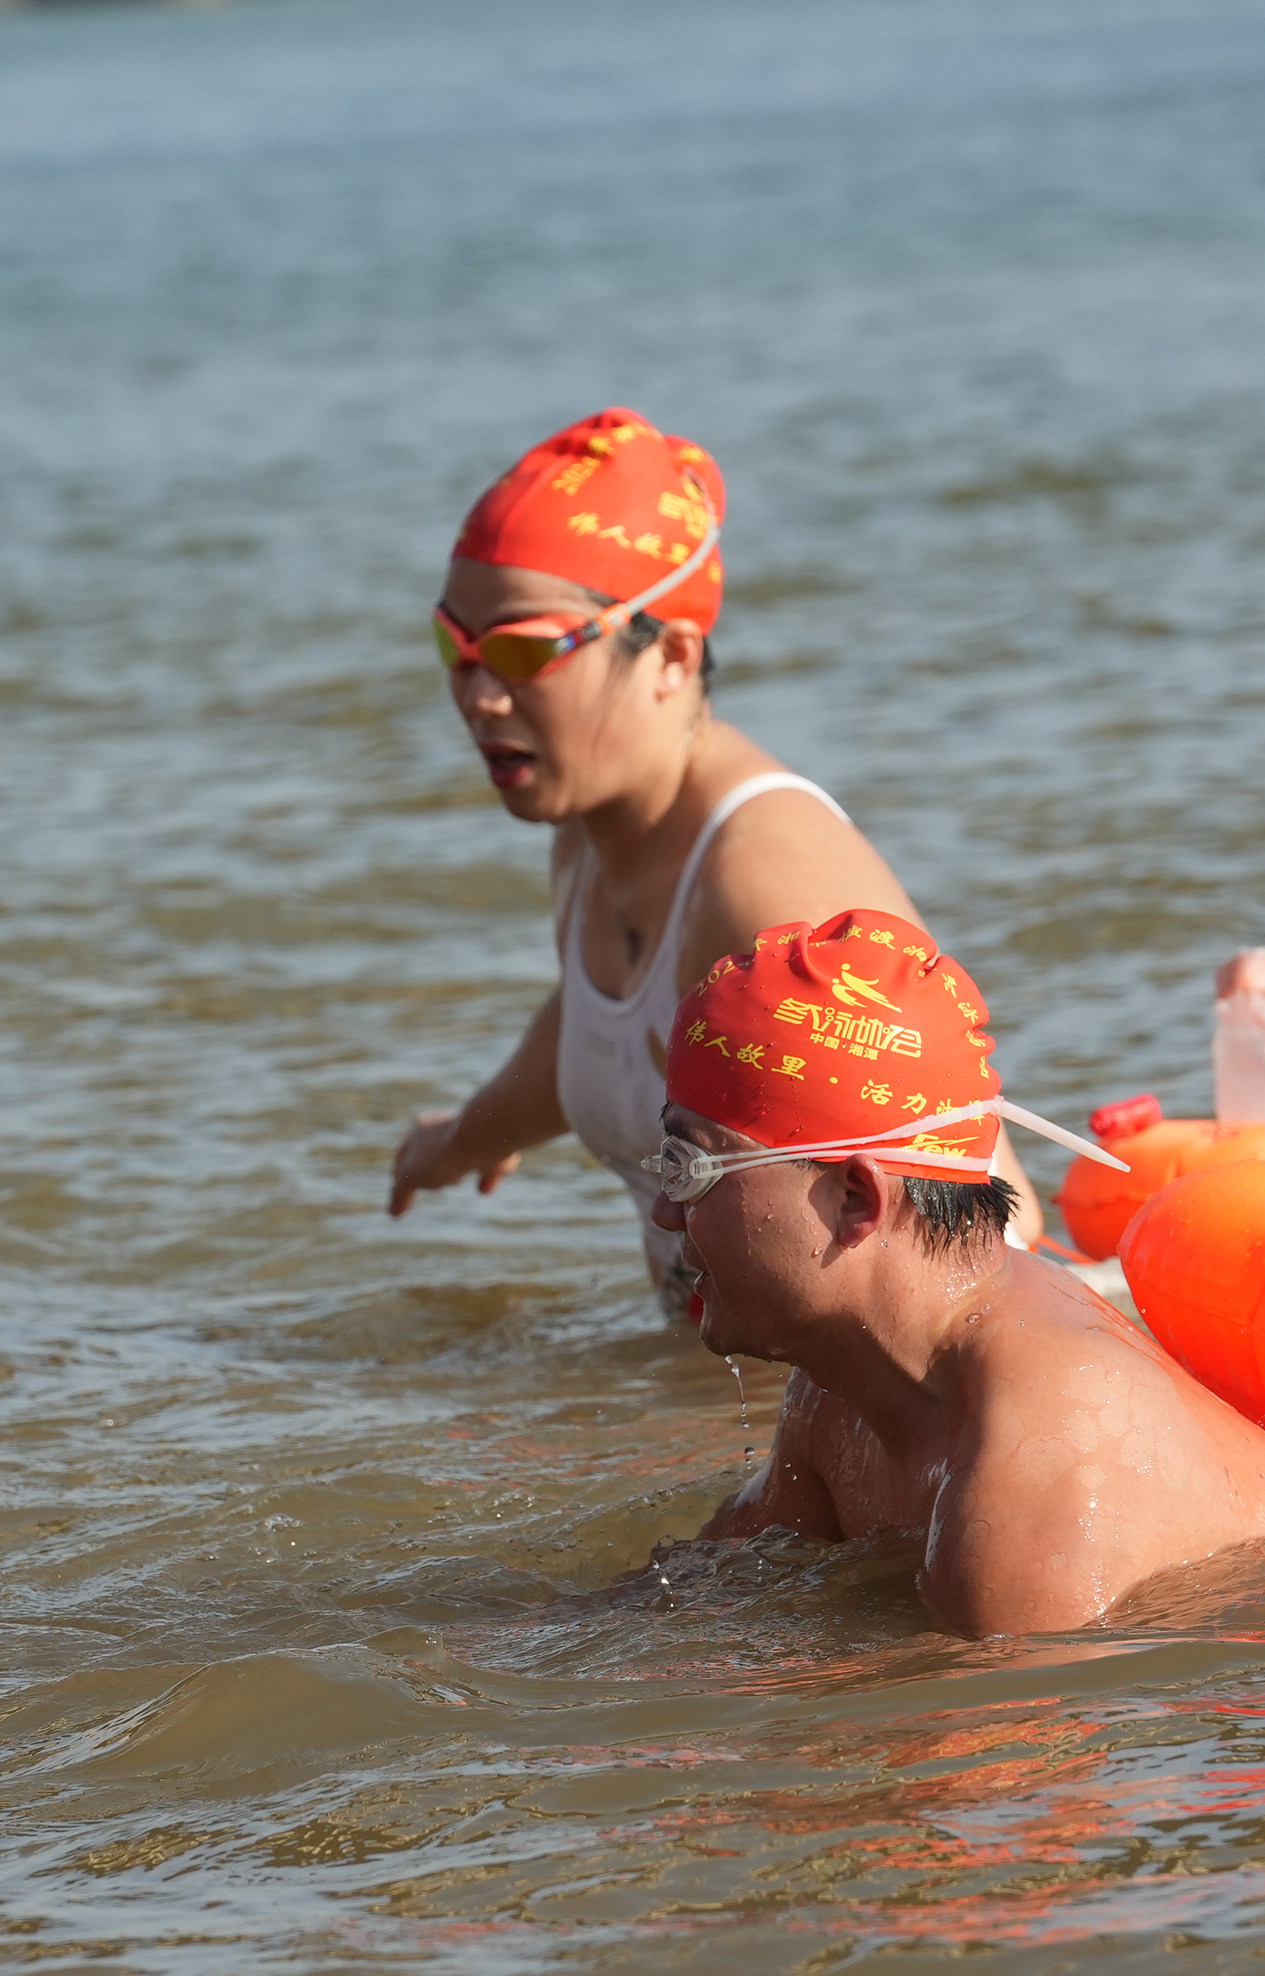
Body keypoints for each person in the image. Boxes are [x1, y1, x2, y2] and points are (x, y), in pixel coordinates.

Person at [386, 408, 1040, 1311]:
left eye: (522, 650)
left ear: (671, 654)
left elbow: (988, 1226)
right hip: (722, 1377)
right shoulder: (587, 832)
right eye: (453, 646)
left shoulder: (761, 875)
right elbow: (600, 1025)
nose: (480, 696)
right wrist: (464, 1139)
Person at [645, 913, 1265, 1635]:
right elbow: (708, 1586)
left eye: (688, 1169)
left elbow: (993, 1708)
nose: (663, 1212)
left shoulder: (1040, 1472)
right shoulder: (845, 1380)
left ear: (856, 1199)